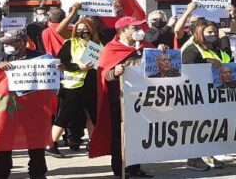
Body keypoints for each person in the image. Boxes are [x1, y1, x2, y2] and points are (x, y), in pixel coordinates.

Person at [91, 16, 155, 178]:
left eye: (140, 28)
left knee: (138, 134)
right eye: (134, 28)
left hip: (142, 99)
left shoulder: (145, 47)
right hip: (118, 100)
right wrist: (115, 72)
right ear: (122, 30)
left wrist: (161, 51)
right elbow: (104, 74)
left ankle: (135, 168)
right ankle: (119, 170)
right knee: (119, 137)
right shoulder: (110, 48)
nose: (139, 31)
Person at [0, 29, 48, 179]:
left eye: (9, 42)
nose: (5, 45)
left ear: (21, 42)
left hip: (33, 108)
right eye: (4, 42)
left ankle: (38, 173)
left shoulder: (40, 58)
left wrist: (58, 70)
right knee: (4, 143)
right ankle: (0, 172)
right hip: (7, 107)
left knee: (36, 142)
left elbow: (53, 78)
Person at [46, 19, 99, 158]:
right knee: (65, 115)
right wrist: (78, 67)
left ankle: (93, 144)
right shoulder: (71, 43)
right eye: (79, 29)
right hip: (73, 86)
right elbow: (61, 63)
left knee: (92, 116)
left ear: (91, 30)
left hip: (91, 85)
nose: (82, 32)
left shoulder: (98, 45)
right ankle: (51, 144)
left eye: (85, 29)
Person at [182, 20, 231, 171]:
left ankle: (208, 154)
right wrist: (208, 65)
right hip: (198, 96)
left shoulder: (217, 50)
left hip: (216, 94)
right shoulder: (191, 50)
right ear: (199, 33)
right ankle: (193, 159)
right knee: (197, 127)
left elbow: (228, 59)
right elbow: (187, 72)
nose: (213, 35)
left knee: (212, 127)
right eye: (209, 32)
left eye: (215, 32)